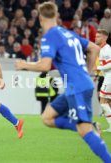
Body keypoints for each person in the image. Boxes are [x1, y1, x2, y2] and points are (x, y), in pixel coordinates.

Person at [15, 2, 111, 162]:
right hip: (76, 86)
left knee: (84, 131)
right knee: (47, 117)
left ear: (40, 18)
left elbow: (45, 65)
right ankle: (89, 126)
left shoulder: (50, 36)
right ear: (56, 16)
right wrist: (88, 71)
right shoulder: (67, 33)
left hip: (77, 87)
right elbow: (94, 48)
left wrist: (25, 65)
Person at [95, 29, 111, 132]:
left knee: (103, 102)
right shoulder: (102, 49)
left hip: (110, 77)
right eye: (96, 36)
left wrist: (98, 68)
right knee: (108, 102)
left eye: (98, 36)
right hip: (107, 76)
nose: (96, 38)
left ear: (105, 38)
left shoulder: (107, 49)